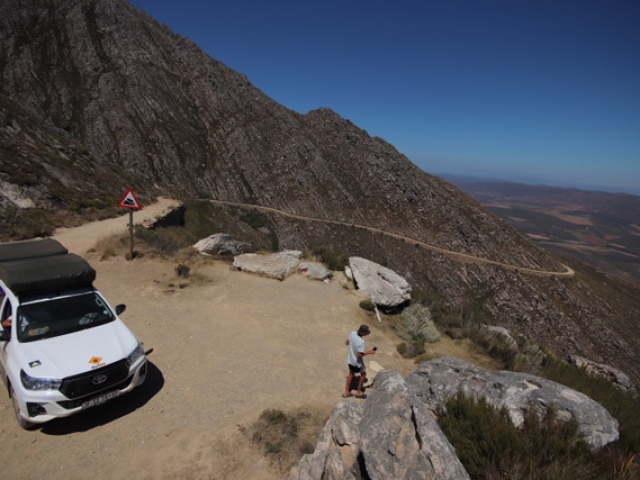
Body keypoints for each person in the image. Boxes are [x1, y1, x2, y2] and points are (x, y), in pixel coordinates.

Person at [343, 324, 376, 399]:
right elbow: (359, 355)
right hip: (356, 362)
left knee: (351, 374)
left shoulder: (352, 333)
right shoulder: (361, 342)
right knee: (363, 374)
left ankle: (346, 392)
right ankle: (358, 392)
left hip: (350, 359)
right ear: (364, 334)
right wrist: (369, 352)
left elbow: (347, 343)